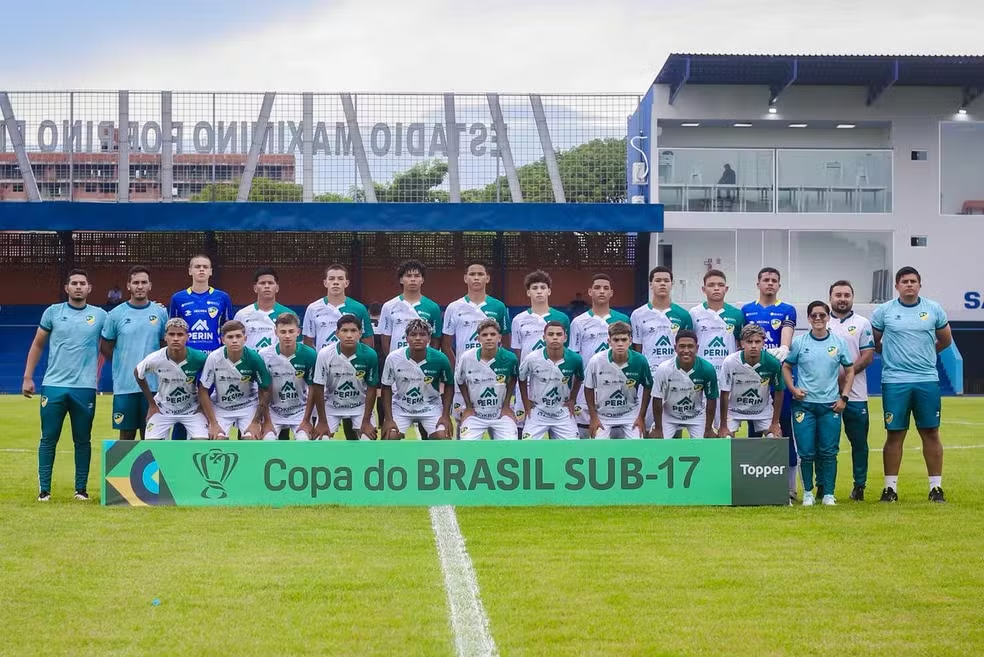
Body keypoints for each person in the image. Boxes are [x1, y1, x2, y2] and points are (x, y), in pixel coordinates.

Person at [22, 269, 108, 501]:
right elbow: (38, 344)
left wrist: (157, 308)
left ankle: (81, 490)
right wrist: (28, 377)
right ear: (67, 288)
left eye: (82, 283)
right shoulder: (53, 312)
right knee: (48, 438)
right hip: (54, 385)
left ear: (89, 288)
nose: (78, 287)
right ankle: (44, 491)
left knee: (82, 439)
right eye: (74, 283)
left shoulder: (100, 315)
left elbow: (118, 332)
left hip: (85, 387)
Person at [871, 266, 951, 503]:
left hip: (926, 379)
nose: (909, 285)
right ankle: (890, 489)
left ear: (919, 285)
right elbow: (874, 343)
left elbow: (946, 339)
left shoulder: (933, 309)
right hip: (895, 381)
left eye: (913, 281)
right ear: (897, 285)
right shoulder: (884, 311)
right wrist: (891, 357)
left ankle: (936, 488)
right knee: (895, 433)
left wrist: (928, 353)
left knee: (931, 432)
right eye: (904, 281)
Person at [783, 301, 854, 506]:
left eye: (822, 315)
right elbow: (786, 367)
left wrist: (844, 397)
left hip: (830, 405)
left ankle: (829, 493)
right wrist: (794, 389)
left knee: (829, 451)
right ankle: (807, 493)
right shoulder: (799, 342)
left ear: (828, 317)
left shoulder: (839, 342)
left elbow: (849, 371)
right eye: (814, 316)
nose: (818, 319)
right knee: (806, 451)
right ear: (809, 318)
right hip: (805, 405)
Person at [741, 267, 798, 499]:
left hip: (777, 378)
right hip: (753, 380)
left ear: (779, 285)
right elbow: (742, 343)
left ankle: (791, 488)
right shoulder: (746, 310)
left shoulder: (787, 310)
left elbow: (786, 339)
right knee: (755, 430)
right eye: (766, 280)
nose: (770, 284)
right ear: (758, 283)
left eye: (774, 280)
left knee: (784, 429)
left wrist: (781, 349)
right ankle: (756, 484)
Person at [100, 266, 169, 440]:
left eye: (143, 282)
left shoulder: (160, 313)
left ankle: (153, 469)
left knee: (152, 436)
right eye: (136, 282)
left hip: (154, 387)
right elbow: (105, 347)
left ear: (150, 286)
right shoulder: (115, 315)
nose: (140, 286)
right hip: (125, 386)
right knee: (126, 436)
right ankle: (125, 469)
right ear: (128, 285)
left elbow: (164, 347)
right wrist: (123, 364)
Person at [168, 253, 232, 440]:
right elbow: (173, 330)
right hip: (186, 362)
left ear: (211, 271)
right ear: (190, 271)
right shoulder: (178, 298)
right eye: (197, 266)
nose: (201, 269)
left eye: (205, 266)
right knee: (183, 409)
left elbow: (228, 329)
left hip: (213, 362)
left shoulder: (222, 297)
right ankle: (177, 459)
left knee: (213, 410)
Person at [443, 261, 511, 424]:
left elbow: (506, 343)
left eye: (480, 274)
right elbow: (446, 344)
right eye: (472, 274)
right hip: (466, 374)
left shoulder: (499, 306)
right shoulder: (454, 307)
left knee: (498, 422)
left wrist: (499, 366)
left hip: (494, 374)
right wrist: (458, 368)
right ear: (465, 278)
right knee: (463, 421)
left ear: (487, 278)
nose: (476, 278)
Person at [827, 280, 876, 501]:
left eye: (847, 295)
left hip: (856, 395)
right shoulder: (821, 321)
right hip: (825, 394)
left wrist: (846, 375)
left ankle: (859, 486)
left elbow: (867, 356)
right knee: (826, 445)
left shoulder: (862, 323)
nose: (842, 299)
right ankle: (823, 486)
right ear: (830, 298)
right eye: (838, 295)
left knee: (858, 442)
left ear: (852, 298)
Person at [569, 274, 632, 437]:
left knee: (615, 435)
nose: (601, 291)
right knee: (584, 432)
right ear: (590, 292)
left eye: (605, 288)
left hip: (616, 385)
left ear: (611, 292)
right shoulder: (578, 322)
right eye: (597, 288)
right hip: (587, 385)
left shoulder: (623, 319)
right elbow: (574, 358)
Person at [631, 266, 692, 430]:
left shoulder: (683, 315)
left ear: (672, 284)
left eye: (666, 280)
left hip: (675, 376)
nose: (662, 284)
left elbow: (689, 349)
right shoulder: (638, 314)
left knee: (675, 424)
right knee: (648, 425)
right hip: (650, 376)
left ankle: (676, 455)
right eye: (658, 280)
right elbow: (638, 349)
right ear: (651, 284)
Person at [510, 270, 570, 428]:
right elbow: (518, 352)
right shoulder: (518, 320)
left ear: (549, 291)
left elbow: (567, 352)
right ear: (528, 292)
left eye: (543, 287)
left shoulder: (562, 318)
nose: (539, 291)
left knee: (555, 424)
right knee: (523, 422)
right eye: (535, 288)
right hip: (528, 380)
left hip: (555, 378)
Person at [133, 318, 210, 440]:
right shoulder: (155, 358)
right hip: (163, 409)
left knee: (201, 443)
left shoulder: (199, 358)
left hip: (192, 410)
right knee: (152, 446)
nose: (175, 338)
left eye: (180, 334)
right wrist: (152, 404)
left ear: (187, 337)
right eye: (171, 334)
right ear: (165, 337)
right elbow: (138, 373)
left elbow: (209, 380)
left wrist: (202, 406)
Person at [198, 320, 272, 440]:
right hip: (221, 406)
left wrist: (255, 422)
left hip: (247, 405)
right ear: (223, 340)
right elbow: (203, 390)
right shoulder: (214, 358)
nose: (234, 340)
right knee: (217, 438)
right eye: (230, 337)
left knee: (250, 438)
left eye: (238, 336)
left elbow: (266, 390)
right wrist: (213, 423)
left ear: (245, 338)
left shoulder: (254, 358)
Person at [689, 269, 743, 432]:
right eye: (711, 285)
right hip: (702, 375)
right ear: (703, 289)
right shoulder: (694, 313)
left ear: (726, 289)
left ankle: (726, 455)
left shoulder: (737, 314)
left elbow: (740, 345)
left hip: (727, 376)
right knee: (701, 424)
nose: (716, 288)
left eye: (720, 285)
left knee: (726, 426)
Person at [380, 319, 453, 439]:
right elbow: (386, 387)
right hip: (401, 407)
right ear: (406, 338)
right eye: (413, 334)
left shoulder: (440, 358)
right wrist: (388, 419)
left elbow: (449, 385)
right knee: (390, 436)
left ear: (429, 338)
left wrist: (445, 415)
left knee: (443, 436)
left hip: (430, 407)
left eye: (422, 334)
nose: (418, 338)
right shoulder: (393, 358)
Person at [312, 314, 380, 441]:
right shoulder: (325, 354)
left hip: (360, 405)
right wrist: (321, 421)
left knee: (367, 440)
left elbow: (372, 388)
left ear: (360, 333)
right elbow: (318, 387)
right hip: (332, 405)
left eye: (353, 331)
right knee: (320, 440)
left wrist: (366, 421)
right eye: (344, 331)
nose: (349, 335)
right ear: (337, 333)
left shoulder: (370, 354)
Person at [584, 321, 652, 438]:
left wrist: (641, 416)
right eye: (616, 340)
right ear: (609, 341)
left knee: (637, 446)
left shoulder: (640, 360)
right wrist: (594, 417)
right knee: (597, 448)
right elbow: (588, 388)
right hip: (603, 413)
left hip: (630, 412)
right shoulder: (596, 361)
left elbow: (648, 387)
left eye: (624, 340)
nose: (620, 344)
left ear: (630, 341)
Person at [455, 318, 520, 440]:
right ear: (478, 338)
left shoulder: (510, 358)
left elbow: (513, 379)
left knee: (510, 444)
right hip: (475, 413)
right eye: (485, 335)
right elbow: (460, 380)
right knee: (467, 444)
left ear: (499, 338)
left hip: (500, 412)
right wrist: (468, 407)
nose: (489, 338)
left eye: (493, 334)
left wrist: (506, 406)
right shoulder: (467, 358)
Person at [518, 321, 583, 440]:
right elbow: (521, 378)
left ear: (565, 337)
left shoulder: (575, 359)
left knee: (573, 447)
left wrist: (573, 399)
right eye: (550, 334)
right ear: (544, 337)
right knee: (527, 447)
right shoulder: (532, 358)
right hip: (538, 411)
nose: (555, 337)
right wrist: (527, 404)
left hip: (562, 412)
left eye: (559, 334)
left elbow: (579, 378)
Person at [258, 312, 318, 441]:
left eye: (291, 331)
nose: (287, 336)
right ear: (276, 332)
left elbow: (313, 388)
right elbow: (262, 389)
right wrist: (267, 421)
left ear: (298, 332)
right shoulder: (264, 355)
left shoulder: (310, 354)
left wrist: (307, 420)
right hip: (273, 411)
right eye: (283, 332)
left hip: (300, 411)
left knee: (303, 441)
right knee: (268, 440)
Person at [650, 329, 719, 439]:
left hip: (696, 415)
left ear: (697, 348)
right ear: (675, 348)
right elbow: (657, 399)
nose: (686, 350)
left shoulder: (707, 369)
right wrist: (658, 429)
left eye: (690, 346)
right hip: (669, 415)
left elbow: (711, 400)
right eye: (681, 346)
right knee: (657, 444)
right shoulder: (664, 369)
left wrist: (708, 429)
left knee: (706, 446)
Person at [718, 324, 783, 439]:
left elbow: (779, 392)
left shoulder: (772, 363)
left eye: (757, 342)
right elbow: (724, 393)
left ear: (763, 343)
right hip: (733, 410)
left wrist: (775, 423)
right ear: (742, 343)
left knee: (775, 437)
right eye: (749, 342)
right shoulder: (730, 362)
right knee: (724, 439)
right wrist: (723, 426)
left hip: (762, 411)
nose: (753, 346)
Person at [302, 263, 373, 351]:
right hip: (324, 362)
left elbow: (368, 342)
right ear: (325, 283)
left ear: (346, 283)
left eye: (340, 278)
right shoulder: (313, 308)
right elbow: (308, 343)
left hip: (351, 362)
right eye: (331, 279)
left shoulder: (359, 308)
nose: (335, 282)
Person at [378, 260, 442, 354]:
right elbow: (385, 339)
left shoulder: (433, 307)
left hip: (423, 361)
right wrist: (391, 359)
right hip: (397, 361)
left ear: (422, 280)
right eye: (408, 276)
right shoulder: (389, 306)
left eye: (417, 276)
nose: (413, 279)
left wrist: (429, 359)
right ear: (401, 280)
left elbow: (436, 339)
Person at [234, 267, 295, 350]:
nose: (267, 286)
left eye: (270, 283)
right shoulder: (242, 315)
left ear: (277, 288)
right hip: (251, 362)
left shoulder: (288, 314)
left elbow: (296, 346)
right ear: (255, 288)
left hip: (277, 362)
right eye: (262, 283)